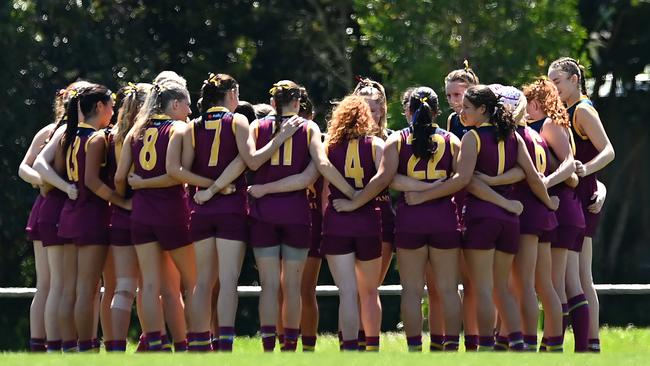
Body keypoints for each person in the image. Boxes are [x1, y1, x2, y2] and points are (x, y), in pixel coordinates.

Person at [166, 73, 247, 352]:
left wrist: (207, 189)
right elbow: (245, 160)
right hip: (230, 206)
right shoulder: (238, 120)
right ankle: (224, 342)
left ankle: (198, 341)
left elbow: (185, 171)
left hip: (200, 207)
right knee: (228, 280)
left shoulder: (192, 126)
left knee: (202, 281)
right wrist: (218, 188)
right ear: (232, 94)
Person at [115, 78, 196, 351]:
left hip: (141, 213)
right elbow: (176, 175)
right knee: (194, 281)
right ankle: (193, 342)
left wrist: (134, 191)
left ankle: (156, 342)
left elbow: (120, 177)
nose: (190, 110)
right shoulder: (179, 128)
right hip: (172, 212)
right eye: (187, 104)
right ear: (175, 103)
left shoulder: (135, 131)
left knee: (148, 285)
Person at [387, 87, 463, 351]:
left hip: (411, 219)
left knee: (411, 290)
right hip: (444, 218)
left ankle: (414, 348)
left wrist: (418, 189)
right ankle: (451, 347)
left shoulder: (397, 139)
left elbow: (389, 179)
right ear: (437, 111)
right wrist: (431, 189)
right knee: (448, 289)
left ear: (407, 111)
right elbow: (460, 180)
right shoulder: (452, 140)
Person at [548, 57, 615, 352]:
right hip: (578, 195)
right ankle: (590, 342)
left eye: (558, 81)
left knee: (576, 277)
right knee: (578, 275)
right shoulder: (563, 111)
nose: (554, 87)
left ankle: (584, 343)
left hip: (581, 197)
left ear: (575, 79)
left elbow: (608, 150)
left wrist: (588, 171)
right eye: (551, 82)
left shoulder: (583, 110)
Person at [18, 89, 68, 352]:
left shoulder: (60, 132)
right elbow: (25, 167)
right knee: (50, 283)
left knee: (50, 284)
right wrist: (45, 181)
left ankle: (44, 345)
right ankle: (45, 345)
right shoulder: (52, 131)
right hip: (52, 207)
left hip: (51, 207)